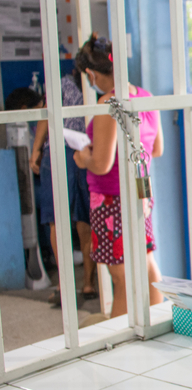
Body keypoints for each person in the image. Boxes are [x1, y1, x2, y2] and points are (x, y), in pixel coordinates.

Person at [71, 34, 164, 317]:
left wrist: (82, 157)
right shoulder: (144, 97)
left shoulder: (109, 104)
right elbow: (157, 149)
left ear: (90, 73)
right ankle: (157, 322)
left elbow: (101, 163)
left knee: (120, 275)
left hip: (111, 198)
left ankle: (122, 337)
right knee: (147, 263)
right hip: (141, 193)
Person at [6, 84, 97, 306]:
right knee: (84, 218)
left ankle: (64, 286)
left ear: (24, 108)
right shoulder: (82, 86)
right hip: (85, 149)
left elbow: (45, 118)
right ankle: (88, 284)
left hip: (57, 152)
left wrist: (35, 151)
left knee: (56, 221)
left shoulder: (58, 84)